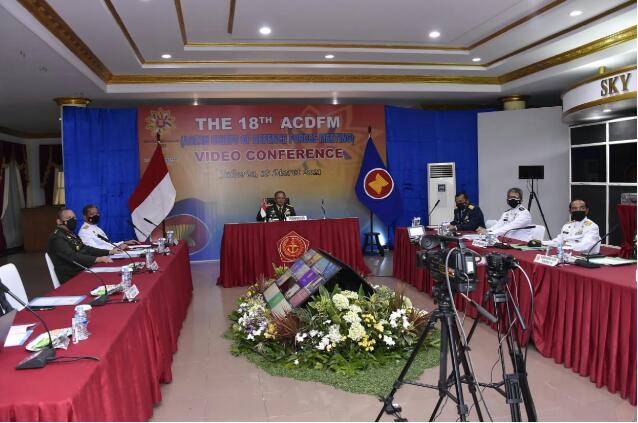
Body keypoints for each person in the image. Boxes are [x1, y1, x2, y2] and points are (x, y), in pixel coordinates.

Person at [47, 208, 118, 284]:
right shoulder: (57, 238)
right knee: (108, 279)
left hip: (83, 270)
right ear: (59, 221)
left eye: (74, 217)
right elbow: (72, 256)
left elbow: (86, 249)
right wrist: (97, 259)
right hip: (72, 277)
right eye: (68, 218)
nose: (73, 220)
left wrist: (109, 252)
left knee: (113, 275)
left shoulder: (70, 234)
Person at [534, 199, 601, 254]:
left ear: (586, 211)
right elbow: (558, 241)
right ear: (570, 211)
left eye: (581, 208)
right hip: (567, 254)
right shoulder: (567, 225)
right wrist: (541, 242)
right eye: (574, 208)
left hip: (584, 257)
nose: (578, 210)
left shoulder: (592, 226)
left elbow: (585, 246)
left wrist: (564, 245)